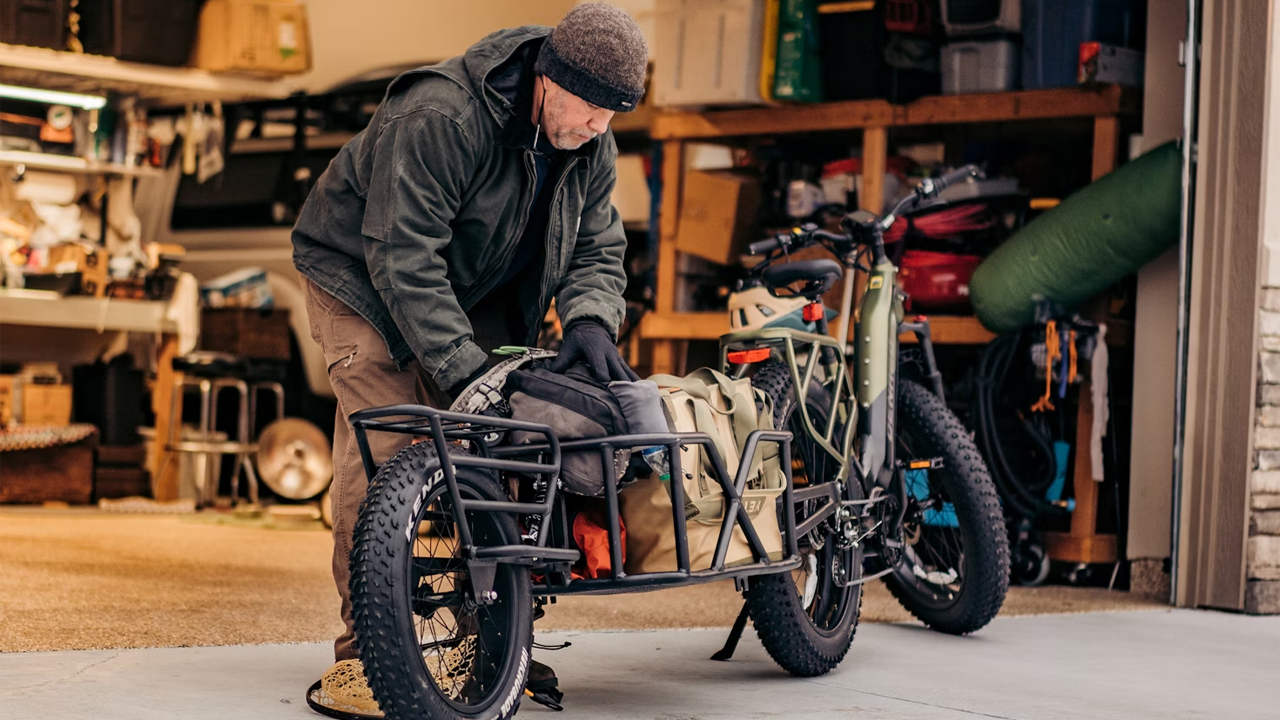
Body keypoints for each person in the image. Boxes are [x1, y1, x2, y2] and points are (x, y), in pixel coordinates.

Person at [291, 5, 647, 717]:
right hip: (361, 275)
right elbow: (402, 256)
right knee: (391, 448)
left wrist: (590, 319)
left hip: (467, 285)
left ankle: (490, 641)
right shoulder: (440, 117)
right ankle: (370, 657)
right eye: (591, 108)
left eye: (615, 113)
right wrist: (461, 373)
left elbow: (599, 247)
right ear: (549, 78)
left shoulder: (587, 141)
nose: (600, 127)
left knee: (492, 456)